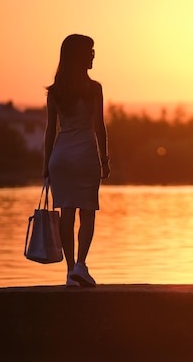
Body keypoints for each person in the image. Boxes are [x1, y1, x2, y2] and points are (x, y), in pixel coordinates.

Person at [43, 34, 110, 287]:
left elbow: (50, 130)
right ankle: (81, 265)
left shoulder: (55, 91)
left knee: (66, 213)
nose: (93, 54)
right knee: (87, 212)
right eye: (90, 51)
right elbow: (99, 127)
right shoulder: (94, 89)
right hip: (85, 155)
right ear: (80, 55)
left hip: (60, 157)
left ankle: (70, 271)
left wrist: (46, 165)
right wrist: (105, 159)